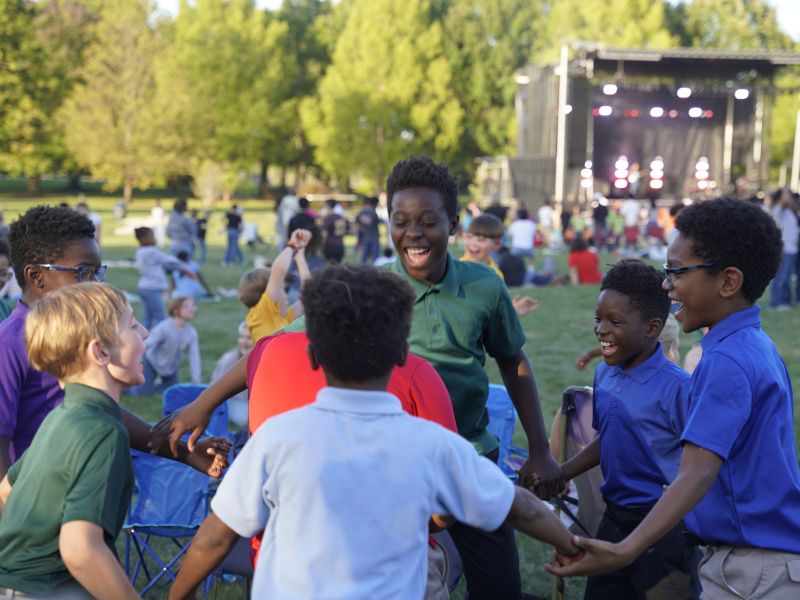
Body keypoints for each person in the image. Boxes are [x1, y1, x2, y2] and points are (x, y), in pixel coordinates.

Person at [166, 265, 581, 600]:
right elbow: (521, 508)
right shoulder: (434, 446)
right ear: (403, 351)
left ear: (311, 353)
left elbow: (215, 539)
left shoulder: (276, 439)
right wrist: (568, 543)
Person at [548, 198, 800, 600]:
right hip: (762, 562)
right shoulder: (754, 343)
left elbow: (696, 473)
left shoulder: (726, 361)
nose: (666, 285)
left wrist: (624, 550)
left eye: (676, 273)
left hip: (753, 572)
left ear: (728, 282)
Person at [383, 156, 562, 599]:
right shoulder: (373, 288)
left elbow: (513, 363)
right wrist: (205, 401)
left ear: (454, 224)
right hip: (394, 467)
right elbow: (281, 345)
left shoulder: (484, 285)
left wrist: (539, 450)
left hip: (468, 460)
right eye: (401, 221)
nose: (414, 233)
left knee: (500, 587)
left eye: (427, 221)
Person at [0, 206, 228, 482]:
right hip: (34, 503)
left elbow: (100, 406)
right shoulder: (10, 343)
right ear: (37, 276)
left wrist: (185, 452)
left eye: (98, 272)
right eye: (83, 273)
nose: (95, 284)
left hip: (80, 481)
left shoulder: (77, 333)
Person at [549, 260, 696, 599]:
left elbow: (702, 466)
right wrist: (563, 472)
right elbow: (608, 438)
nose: (601, 329)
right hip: (613, 518)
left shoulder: (679, 388)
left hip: (665, 530)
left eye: (615, 322)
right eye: (598, 319)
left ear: (651, 328)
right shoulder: (604, 374)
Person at [0, 283, 146, 599]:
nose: (145, 333)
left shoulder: (61, 416)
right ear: (101, 351)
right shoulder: (102, 429)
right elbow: (81, 549)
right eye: (133, 325)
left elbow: (6, 491)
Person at [238, 228, 311, 342]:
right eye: (281, 288)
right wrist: (292, 245)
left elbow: (309, 295)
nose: (284, 292)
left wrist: (299, 256)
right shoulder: (262, 312)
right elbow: (279, 270)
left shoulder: (281, 317)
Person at [460, 214, 538, 317]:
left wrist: (513, 312)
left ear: (496, 244)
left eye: (481, 239)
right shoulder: (455, 270)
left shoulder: (496, 275)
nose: (473, 243)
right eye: (469, 237)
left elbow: (497, 312)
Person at [127, 296, 202, 396]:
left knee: (173, 392)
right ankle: (124, 387)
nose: (191, 308)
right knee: (142, 393)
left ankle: (156, 385)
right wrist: (135, 361)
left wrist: (196, 381)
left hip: (170, 368)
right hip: (152, 362)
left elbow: (194, 357)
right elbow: (147, 343)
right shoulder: (164, 327)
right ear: (176, 310)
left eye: (193, 306)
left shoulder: (191, 333)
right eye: (186, 306)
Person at [134, 227, 194, 330]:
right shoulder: (150, 252)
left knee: (148, 317)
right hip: (151, 288)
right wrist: (185, 269)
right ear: (143, 239)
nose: (154, 238)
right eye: (152, 236)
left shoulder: (141, 251)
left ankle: (144, 341)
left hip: (145, 287)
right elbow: (169, 261)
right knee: (160, 317)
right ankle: (161, 340)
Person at [210, 321, 253, 430]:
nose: (244, 341)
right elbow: (214, 387)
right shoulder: (229, 360)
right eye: (242, 337)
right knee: (244, 418)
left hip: (250, 400)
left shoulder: (261, 359)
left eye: (249, 338)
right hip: (232, 400)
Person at [770, 187, 798, 310]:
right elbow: (785, 200)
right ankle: (778, 302)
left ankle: (785, 302)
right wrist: (785, 190)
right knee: (781, 277)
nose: (790, 198)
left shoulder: (789, 212)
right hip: (784, 249)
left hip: (792, 249)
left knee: (786, 278)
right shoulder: (778, 210)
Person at [321, 198, 349, 263]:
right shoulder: (340, 217)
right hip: (340, 245)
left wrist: (322, 247)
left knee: (329, 268)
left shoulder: (328, 218)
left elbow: (324, 234)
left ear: (327, 206)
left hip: (330, 246)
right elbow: (345, 230)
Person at [356, 196, 381, 264]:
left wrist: (358, 241)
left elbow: (358, 226)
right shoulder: (373, 212)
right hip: (374, 237)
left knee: (363, 259)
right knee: (375, 260)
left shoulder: (361, 212)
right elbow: (378, 221)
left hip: (364, 237)